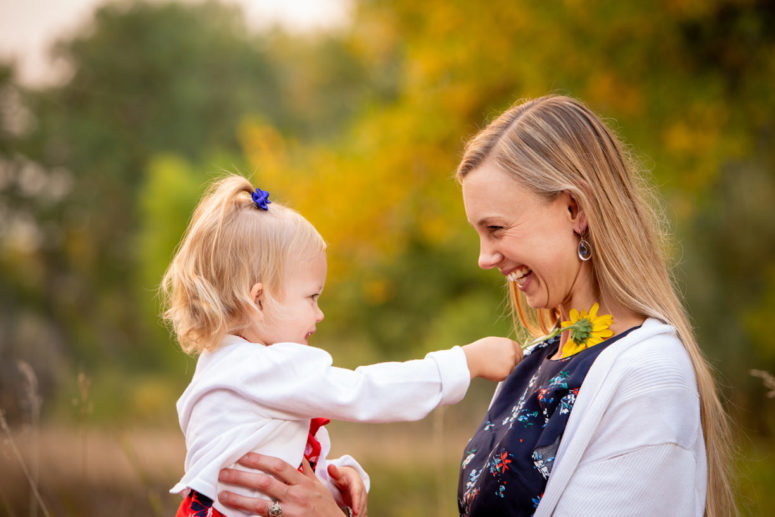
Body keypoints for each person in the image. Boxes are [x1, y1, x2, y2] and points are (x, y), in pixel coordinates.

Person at [214, 96, 736, 517]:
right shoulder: (540, 357)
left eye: (497, 229)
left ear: (575, 210)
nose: (485, 258)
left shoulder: (648, 373)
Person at [161, 175, 522, 517]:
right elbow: (365, 391)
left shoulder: (222, 366)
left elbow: (271, 466)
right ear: (258, 300)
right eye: (312, 297)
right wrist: (464, 362)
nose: (319, 315)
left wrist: (334, 475)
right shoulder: (265, 367)